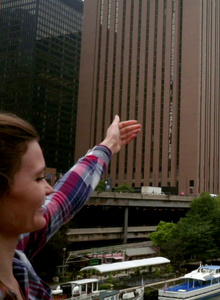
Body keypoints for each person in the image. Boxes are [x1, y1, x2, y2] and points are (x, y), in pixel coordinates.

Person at [0, 113, 141, 300]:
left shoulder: (15, 249)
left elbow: (65, 198)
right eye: (39, 178)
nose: (49, 189)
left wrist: (109, 146)